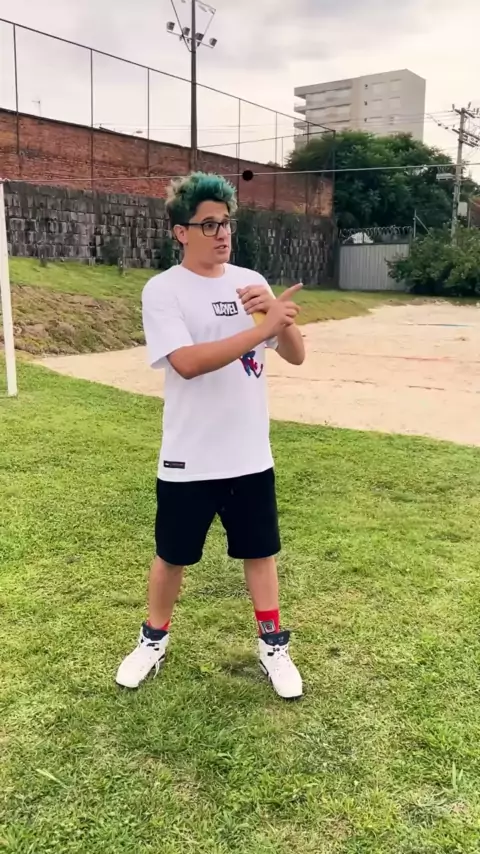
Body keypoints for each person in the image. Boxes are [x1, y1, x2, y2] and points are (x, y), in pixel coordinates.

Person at [116, 172, 305, 700]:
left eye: (226, 223)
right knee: (172, 556)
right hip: (189, 456)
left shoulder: (250, 281)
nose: (222, 233)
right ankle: (153, 641)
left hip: (249, 454)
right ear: (181, 232)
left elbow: (295, 354)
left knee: (260, 553)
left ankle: (273, 646)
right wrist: (261, 328)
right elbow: (187, 362)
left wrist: (278, 317)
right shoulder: (163, 290)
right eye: (208, 224)